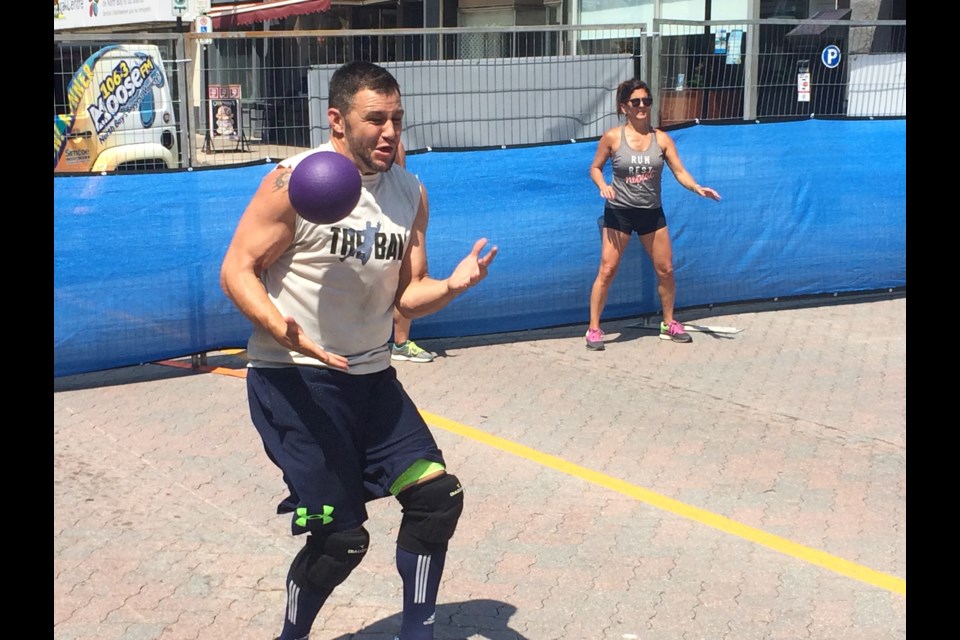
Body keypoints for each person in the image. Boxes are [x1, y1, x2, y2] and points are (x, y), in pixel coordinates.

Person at [219, 61, 497, 640]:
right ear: (338, 122)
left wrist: (451, 286)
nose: (391, 132)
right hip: (294, 380)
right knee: (341, 540)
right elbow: (237, 268)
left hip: (372, 380)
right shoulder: (292, 181)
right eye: (376, 119)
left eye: (397, 118)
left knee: (437, 498)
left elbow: (406, 299)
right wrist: (279, 324)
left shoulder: (409, 191)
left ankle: (415, 634)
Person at [586, 78, 721, 350]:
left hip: (651, 213)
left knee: (666, 269)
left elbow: (679, 171)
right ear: (624, 107)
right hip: (620, 213)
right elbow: (595, 168)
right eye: (635, 102)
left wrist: (697, 187)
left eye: (646, 101)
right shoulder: (613, 137)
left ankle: (668, 322)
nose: (642, 106)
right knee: (608, 269)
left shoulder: (661, 139)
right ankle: (594, 329)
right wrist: (603, 186)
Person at [390, 140, 435, 363]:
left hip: (399, 244)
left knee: (408, 278)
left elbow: (415, 270)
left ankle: (400, 344)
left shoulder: (414, 190)